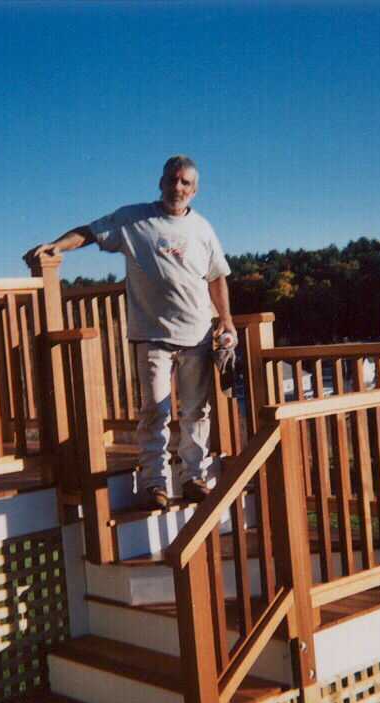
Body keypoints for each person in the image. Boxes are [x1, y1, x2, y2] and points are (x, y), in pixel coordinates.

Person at [24, 155, 235, 510]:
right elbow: (89, 232)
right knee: (155, 409)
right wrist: (57, 246)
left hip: (198, 333)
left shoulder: (203, 228)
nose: (177, 188)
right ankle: (155, 482)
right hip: (151, 335)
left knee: (196, 411)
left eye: (185, 183)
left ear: (194, 190)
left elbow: (217, 277)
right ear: (161, 182)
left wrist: (226, 319)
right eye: (172, 180)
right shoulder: (133, 219)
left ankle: (193, 476)